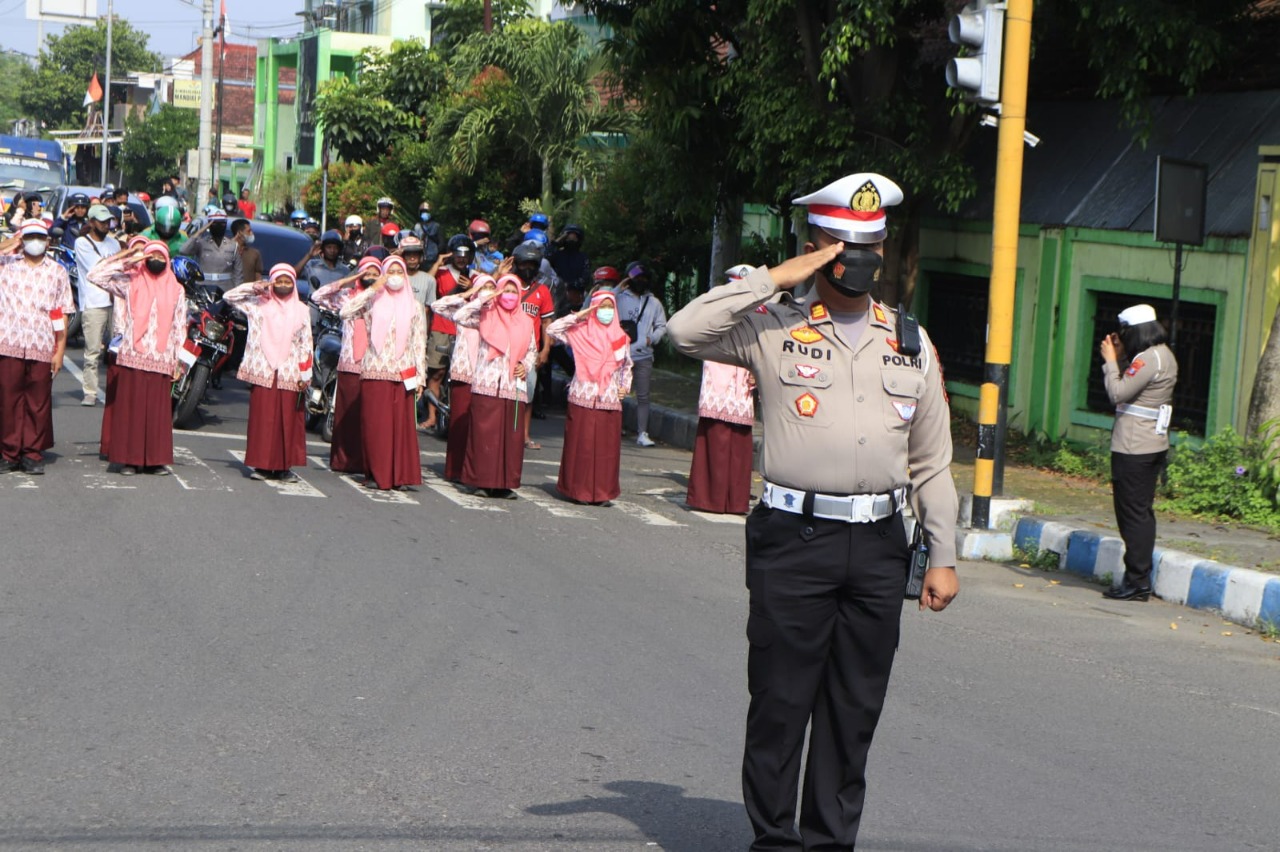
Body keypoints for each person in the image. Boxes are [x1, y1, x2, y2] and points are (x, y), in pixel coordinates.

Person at [667, 172, 960, 852]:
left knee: (854, 710)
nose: (856, 259)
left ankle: (831, 843)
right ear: (814, 248)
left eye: (868, 246)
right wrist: (775, 277)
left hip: (880, 545)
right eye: (839, 245)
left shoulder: (910, 342)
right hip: (794, 540)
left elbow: (932, 462)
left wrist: (942, 554)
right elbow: (684, 331)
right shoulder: (770, 327)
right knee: (780, 703)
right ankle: (775, 841)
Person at [85, 242, 187, 475]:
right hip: (133, 355)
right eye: (152, 256)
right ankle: (129, 460)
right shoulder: (130, 281)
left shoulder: (177, 289)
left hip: (162, 358)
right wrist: (129, 257)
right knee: (131, 410)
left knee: (157, 414)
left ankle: (155, 461)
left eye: (161, 257)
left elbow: (179, 326)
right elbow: (95, 275)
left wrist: (178, 362)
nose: (156, 260)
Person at [1100, 304, 1178, 601]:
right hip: (1149, 444)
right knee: (1141, 513)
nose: (1121, 338)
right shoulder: (1162, 355)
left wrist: (1111, 361)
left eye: (1125, 333)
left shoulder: (1147, 359)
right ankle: (1138, 578)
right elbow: (1134, 387)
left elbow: (1118, 392)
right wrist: (1121, 358)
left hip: (1134, 447)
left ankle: (1137, 581)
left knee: (1132, 515)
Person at [340, 256, 428, 491]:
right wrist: (373, 289)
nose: (395, 276)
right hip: (374, 370)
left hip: (403, 372)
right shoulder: (372, 301)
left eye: (399, 272)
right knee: (375, 426)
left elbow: (419, 342)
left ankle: (398, 476)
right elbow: (345, 312)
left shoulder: (415, 306)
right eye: (390, 272)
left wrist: (421, 377)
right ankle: (376, 474)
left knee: (401, 428)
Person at [222, 264, 314, 482]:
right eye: (278, 281)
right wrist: (256, 286)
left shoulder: (302, 310)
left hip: (290, 372)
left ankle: (283, 468)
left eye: (287, 281)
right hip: (263, 368)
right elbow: (229, 297)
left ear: (294, 284)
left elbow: (306, 344)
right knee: (263, 420)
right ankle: (262, 466)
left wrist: (305, 375)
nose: (283, 285)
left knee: (287, 422)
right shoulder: (257, 304)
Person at [0, 222, 75, 474]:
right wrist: (10, 243)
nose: (35, 241)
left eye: (39, 237)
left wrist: (60, 350)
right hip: (8, 342)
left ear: (48, 241)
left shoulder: (57, 272)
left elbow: (62, 312)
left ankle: (31, 453)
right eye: (30, 236)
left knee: (38, 401)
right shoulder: (6, 265)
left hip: (42, 343)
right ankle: (9, 453)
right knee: (8, 399)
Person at [453, 274, 538, 498]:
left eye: (513, 291)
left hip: (513, 386)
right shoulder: (485, 314)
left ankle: (504, 484)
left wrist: (525, 365)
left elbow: (532, 350)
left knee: (510, 439)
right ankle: (480, 482)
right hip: (487, 383)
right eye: (505, 290)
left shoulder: (526, 321)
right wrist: (484, 298)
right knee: (483, 435)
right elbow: (459, 315)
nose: (509, 295)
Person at [684, 266, 759, 515]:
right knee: (715, 440)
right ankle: (709, 498)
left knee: (739, 444)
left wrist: (757, 371)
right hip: (719, 381)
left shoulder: (759, 314)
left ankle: (735, 499)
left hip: (743, 384)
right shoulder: (717, 310)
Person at [547, 290, 633, 505]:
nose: (606, 311)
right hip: (583, 396)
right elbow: (552, 329)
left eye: (610, 307)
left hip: (609, 399)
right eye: (601, 307)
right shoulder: (579, 332)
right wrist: (580, 315)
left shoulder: (621, 338)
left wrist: (625, 388)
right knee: (581, 446)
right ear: (593, 308)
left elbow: (626, 366)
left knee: (606, 450)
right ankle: (577, 490)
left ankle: (602, 493)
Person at [312, 257, 382, 474]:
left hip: (376, 365)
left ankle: (367, 461)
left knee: (370, 416)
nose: (370, 278)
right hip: (350, 362)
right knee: (347, 415)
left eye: (375, 274)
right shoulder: (347, 296)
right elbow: (318, 296)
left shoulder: (385, 299)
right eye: (366, 273)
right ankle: (344, 460)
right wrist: (349, 280)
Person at [431, 273, 497, 481]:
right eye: (483, 287)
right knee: (460, 423)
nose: (487, 292)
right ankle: (456, 469)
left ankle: (475, 469)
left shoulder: (497, 314)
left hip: (486, 376)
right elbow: (437, 306)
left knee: (480, 426)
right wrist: (470, 294)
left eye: (491, 288)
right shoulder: (464, 310)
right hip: (464, 373)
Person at [421, 235, 474, 431]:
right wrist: (437, 263)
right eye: (458, 254)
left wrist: (472, 288)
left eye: (465, 255)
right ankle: (432, 416)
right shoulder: (441, 273)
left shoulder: (475, 276)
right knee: (436, 373)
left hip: (465, 331)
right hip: (441, 328)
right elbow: (426, 283)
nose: (461, 259)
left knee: (461, 377)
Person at [72, 204, 121, 406]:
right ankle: (90, 392)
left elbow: (120, 271)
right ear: (92, 222)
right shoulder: (82, 243)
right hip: (94, 302)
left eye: (108, 221)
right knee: (93, 351)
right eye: (101, 222)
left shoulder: (114, 244)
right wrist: (122, 258)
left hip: (115, 301)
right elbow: (98, 268)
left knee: (118, 350)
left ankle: (116, 391)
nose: (106, 225)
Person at [615, 262, 667, 447]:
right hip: (621, 354)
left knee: (643, 396)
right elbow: (603, 302)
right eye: (637, 278)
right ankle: (615, 427)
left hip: (644, 355)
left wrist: (651, 339)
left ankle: (642, 433)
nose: (641, 281)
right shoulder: (619, 298)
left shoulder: (653, 302)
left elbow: (662, 325)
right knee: (617, 393)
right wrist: (619, 287)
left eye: (644, 278)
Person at [512, 240, 556, 445]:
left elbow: (547, 322)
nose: (527, 268)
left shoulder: (542, 291)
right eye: (524, 264)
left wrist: (545, 349)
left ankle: (525, 435)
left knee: (528, 395)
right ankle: (507, 433)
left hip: (530, 352)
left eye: (532, 265)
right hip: (506, 350)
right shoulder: (507, 286)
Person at [180, 210, 243, 290]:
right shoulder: (201, 243)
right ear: (209, 225)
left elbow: (238, 274)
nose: (219, 226)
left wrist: (236, 291)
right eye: (214, 223)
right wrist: (199, 232)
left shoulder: (232, 245)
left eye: (222, 223)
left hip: (225, 288)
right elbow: (183, 250)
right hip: (204, 287)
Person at [295, 229, 348, 300]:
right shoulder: (312, 265)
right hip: (313, 305)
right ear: (322, 249)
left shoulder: (345, 270)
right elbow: (293, 274)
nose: (332, 250)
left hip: (335, 306)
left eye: (335, 248)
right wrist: (309, 255)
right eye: (329, 247)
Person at [399, 235, 437, 309]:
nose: (412, 259)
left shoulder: (429, 280)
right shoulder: (394, 279)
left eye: (415, 255)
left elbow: (429, 307)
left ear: (420, 257)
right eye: (408, 255)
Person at [233, 218, 262, 285]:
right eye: (249, 231)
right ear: (239, 233)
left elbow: (258, 277)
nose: (251, 233)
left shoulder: (254, 254)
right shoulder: (226, 250)